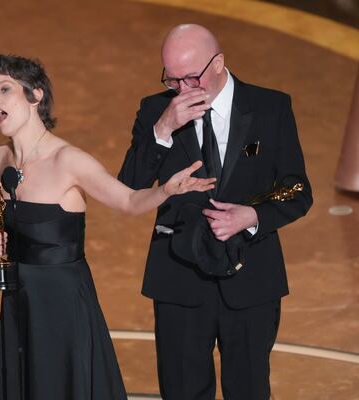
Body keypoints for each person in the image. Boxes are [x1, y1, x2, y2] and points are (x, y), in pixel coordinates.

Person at [0, 53, 216, 400]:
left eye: (4, 89)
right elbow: (7, 226)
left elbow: (128, 202)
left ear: (35, 96)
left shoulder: (70, 161)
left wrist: (165, 190)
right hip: (19, 303)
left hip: (63, 307)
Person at [118, 24, 313, 399]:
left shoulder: (270, 108)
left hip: (251, 280)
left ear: (219, 63)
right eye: (172, 79)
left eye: (192, 77)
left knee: (250, 390)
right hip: (178, 277)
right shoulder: (155, 111)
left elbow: (298, 189)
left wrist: (252, 216)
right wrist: (163, 129)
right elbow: (128, 187)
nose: (182, 89)